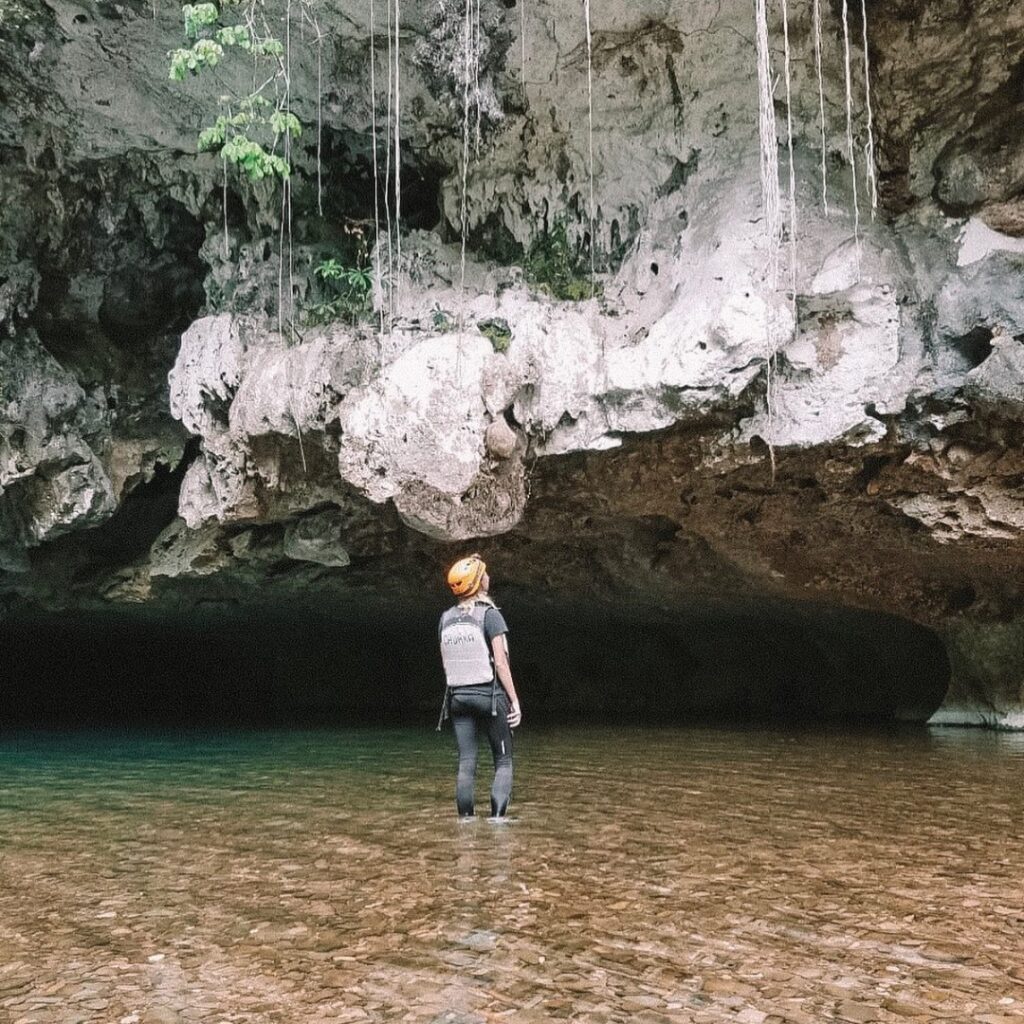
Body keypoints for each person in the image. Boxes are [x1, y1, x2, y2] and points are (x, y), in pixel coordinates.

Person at [437, 553, 522, 818]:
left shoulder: (445, 618)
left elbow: (446, 663)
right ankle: (498, 823)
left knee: (466, 763)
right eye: (484, 573)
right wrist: (515, 700)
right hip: (491, 697)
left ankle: (465, 823)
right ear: (478, 583)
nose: (488, 577)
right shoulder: (491, 615)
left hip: (458, 699)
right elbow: (501, 663)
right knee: (504, 761)